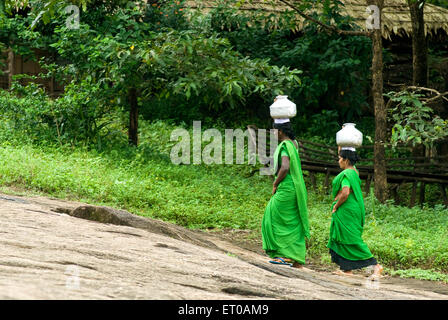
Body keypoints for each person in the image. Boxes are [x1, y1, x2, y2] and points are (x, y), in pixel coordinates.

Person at [327, 147, 383, 280]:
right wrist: (341, 146)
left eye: (340, 158)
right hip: (354, 209)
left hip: (347, 209)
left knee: (352, 239)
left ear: (346, 160)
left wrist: (336, 206)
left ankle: (376, 266)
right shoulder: (354, 172)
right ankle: (347, 270)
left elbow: (345, 192)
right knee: (345, 238)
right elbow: (346, 157)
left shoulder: (346, 175)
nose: (338, 161)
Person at [261, 119, 310, 269]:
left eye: (274, 130)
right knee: (293, 220)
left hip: (287, 187)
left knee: (272, 216)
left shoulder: (284, 146)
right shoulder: (293, 144)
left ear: (280, 131)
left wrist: (275, 183)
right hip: (296, 188)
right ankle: (296, 258)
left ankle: (284, 256)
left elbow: (285, 167)